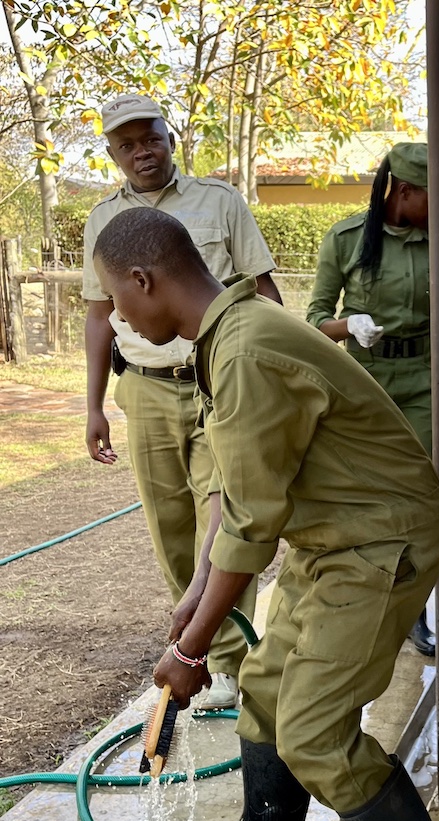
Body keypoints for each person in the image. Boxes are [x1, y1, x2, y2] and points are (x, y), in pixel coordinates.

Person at [92, 206, 439, 821]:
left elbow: (253, 530)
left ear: (143, 280)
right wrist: (196, 595)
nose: (117, 318)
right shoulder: (231, 333)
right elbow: (236, 493)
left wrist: (191, 653)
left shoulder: (246, 350)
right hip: (333, 537)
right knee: (264, 685)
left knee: (314, 730)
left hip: (382, 540)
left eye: (116, 298)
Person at [82, 94, 277, 710]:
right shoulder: (101, 219)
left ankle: (228, 660)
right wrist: (93, 406)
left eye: (151, 137)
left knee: (224, 518)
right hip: (144, 387)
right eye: (127, 144)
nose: (142, 151)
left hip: (216, 379)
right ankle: (196, 646)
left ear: (171, 138)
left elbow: (261, 290)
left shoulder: (220, 202)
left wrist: (267, 374)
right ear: (112, 153)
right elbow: (98, 315)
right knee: (169, 527)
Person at [306, 141, 439, 658]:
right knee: (367, 494)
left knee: (423, 495)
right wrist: (348, 325)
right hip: (364, 382)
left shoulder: (434, 242)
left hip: (421, 379)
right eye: (435, 197)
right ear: (406, 191)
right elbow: (314, 321)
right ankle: (356, 601)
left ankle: (413, 612)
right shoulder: (346, 239)